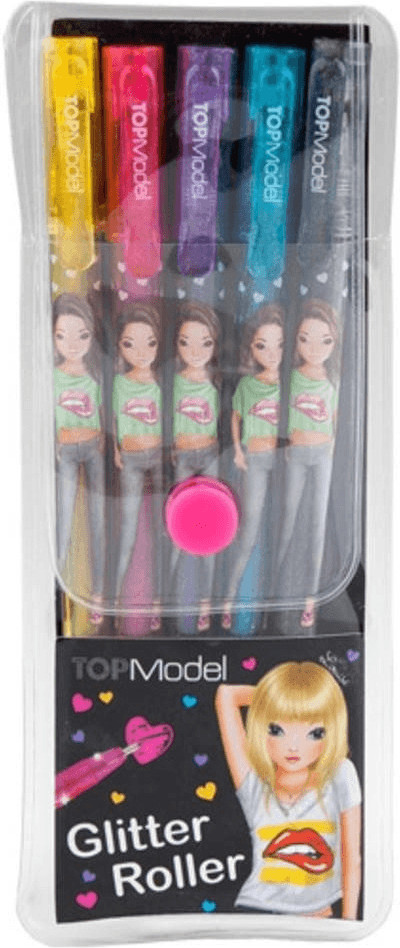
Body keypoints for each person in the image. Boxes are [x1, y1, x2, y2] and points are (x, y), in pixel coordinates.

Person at [215, 661, 361, 917]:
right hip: (256, 910)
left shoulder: (340, 774)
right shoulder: (254, 783)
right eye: (277, 729)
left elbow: (352, 856)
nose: (293, 746)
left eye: (315, 732)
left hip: (320, 918)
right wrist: (280, 701)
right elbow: (226, 695)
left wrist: (349, 921)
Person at [277, 299, 340, 629]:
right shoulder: (293, 377)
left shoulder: (332, 380)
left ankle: (310, 599)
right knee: (287, 517)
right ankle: (277, 589)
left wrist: (332, 447)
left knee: (318, 524)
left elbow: (335, 420)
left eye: (325, 340)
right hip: (297, 453)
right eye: (305, 339)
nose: (314, 348)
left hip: (322, 454)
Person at [221, 304, 284, 630]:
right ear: (252, 349)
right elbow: (235, 417)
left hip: (285, 460)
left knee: (283, 525)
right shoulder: (248, 385)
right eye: (262, 345)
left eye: (279, 345)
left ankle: (277, 605)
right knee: (249, 530)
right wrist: (237, 451)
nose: (271, 353)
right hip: (255, 457)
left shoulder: (290, 383)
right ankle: (230, 598)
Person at [53, 292, 105, 625]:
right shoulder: (53, 375)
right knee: (65, 519)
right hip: (66, 452)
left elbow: (100, 411)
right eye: (62, 336)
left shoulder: (95, 372)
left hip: (94, 448)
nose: (72, 345)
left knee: (98, 520)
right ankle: (58, 588)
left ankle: (98, 593)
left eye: (82, 336)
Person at [171, 301, 221, 632]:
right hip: (182, 455)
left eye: (205, 343)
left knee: (214, 532)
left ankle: (205, 602)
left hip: (211, 453)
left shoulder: (216, 380)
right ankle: (174, 600)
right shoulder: (173, 381)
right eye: (186, 342)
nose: (195, 351)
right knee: (176, 531)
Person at [113, 302, 163, 628]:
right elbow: (114, 418)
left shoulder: (161, 380)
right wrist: (116, 449)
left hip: (158, 456)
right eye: (131, 343)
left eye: (151, 343)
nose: (142, 353)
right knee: (128, 530)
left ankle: (158, 602)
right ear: (120, 346)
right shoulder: (120, 383)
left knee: (161, 530)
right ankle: (118, 601)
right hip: (130, 457)